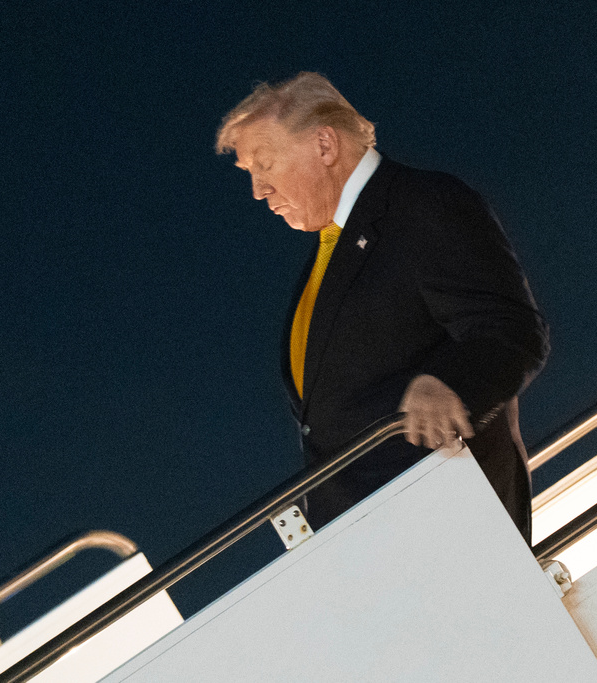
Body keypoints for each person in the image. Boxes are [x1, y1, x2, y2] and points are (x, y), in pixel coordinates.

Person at [216, 72, 549, 542]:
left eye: (265, 165)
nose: (257, 190)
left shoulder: (421, 204)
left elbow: (511, 331)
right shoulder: (328, 250)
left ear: (325, 145)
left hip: (445, 526)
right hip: (373, 543)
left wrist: (446, 384)